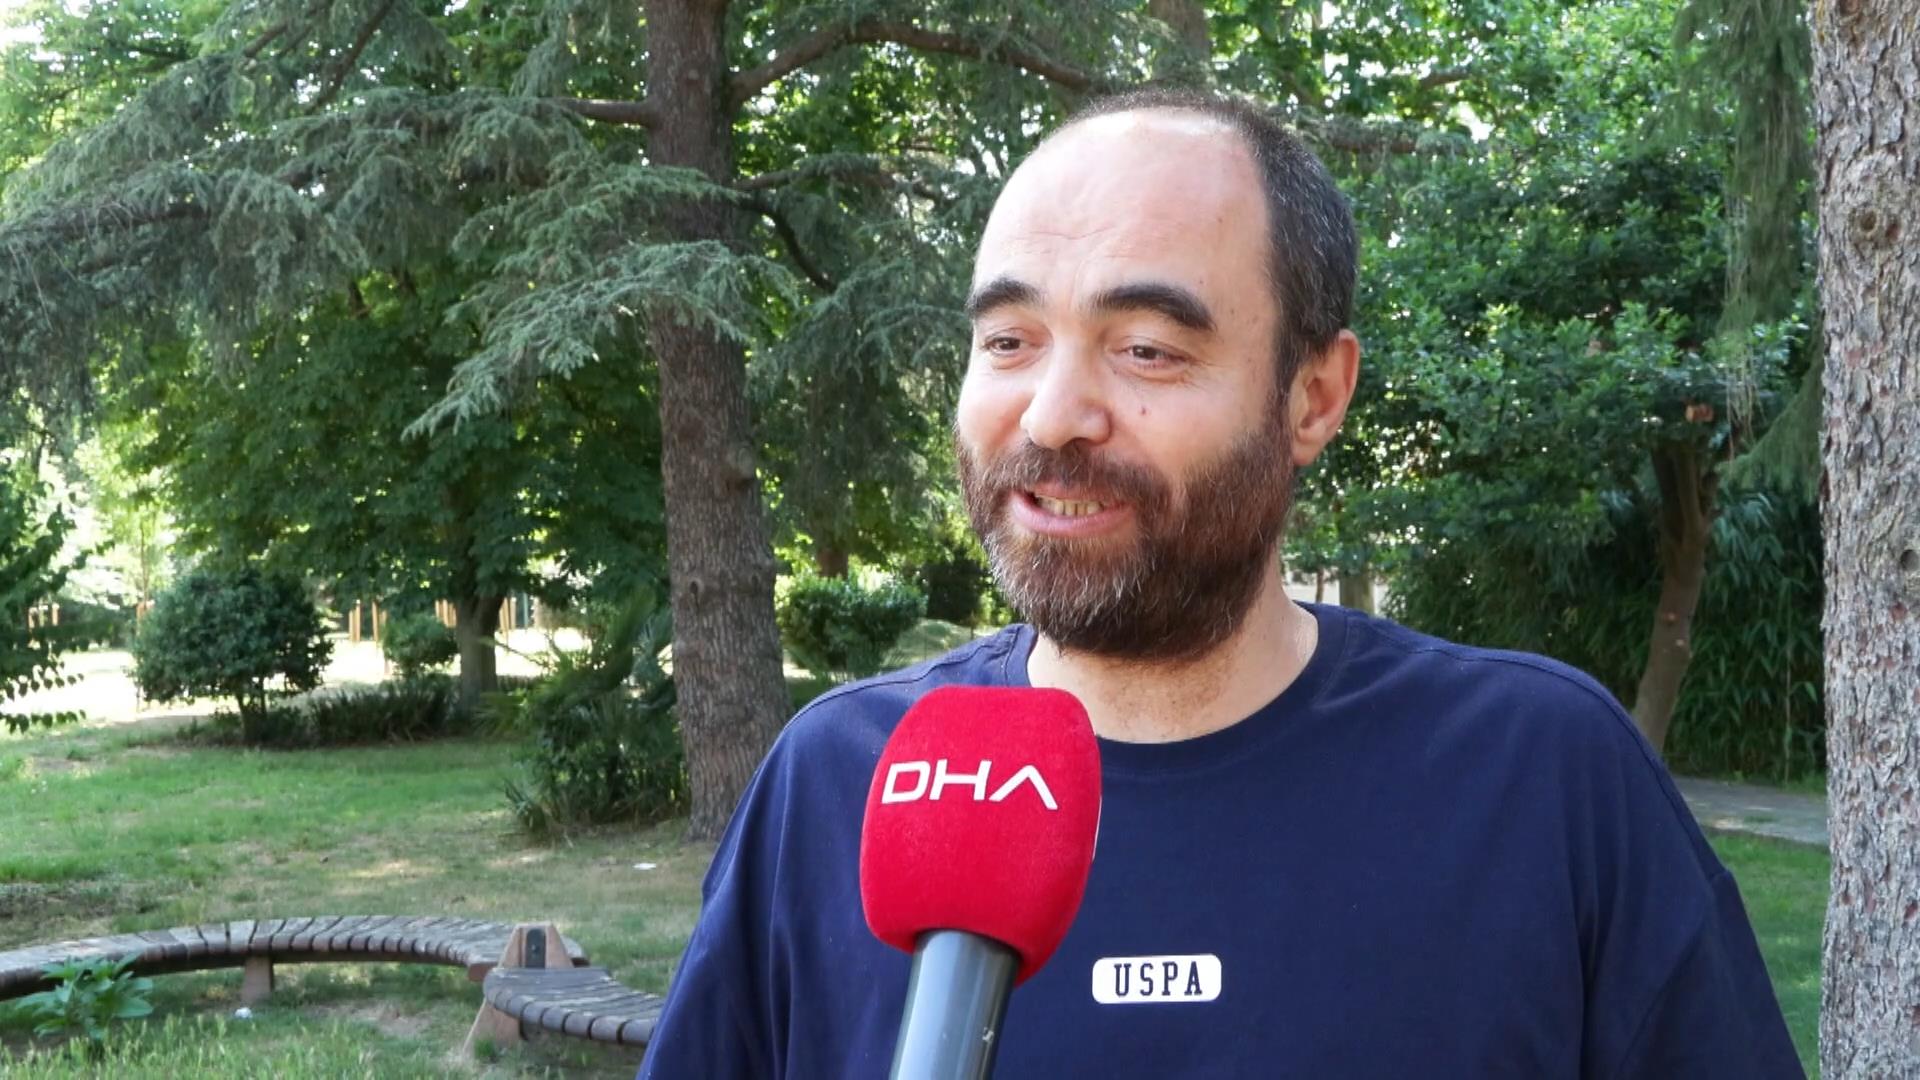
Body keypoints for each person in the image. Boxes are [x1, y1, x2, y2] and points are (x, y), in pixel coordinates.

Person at [636, 87, 1803, 1079]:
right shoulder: (837, 783)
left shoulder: (1544, 778)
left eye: (1146, 348)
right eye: (1008, 341)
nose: (1051, 415)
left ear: (1314, 397)